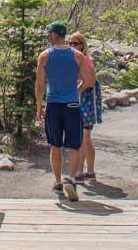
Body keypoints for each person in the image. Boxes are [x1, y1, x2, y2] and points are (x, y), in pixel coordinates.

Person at [35, 21, 91, 200]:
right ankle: (72, 179)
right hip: (73, 105)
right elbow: (88, 80)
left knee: (55, 144)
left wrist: (39, 106)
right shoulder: (77, 56)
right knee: (75, 144)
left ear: (53, 35)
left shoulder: (44, 56)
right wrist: (77, 90)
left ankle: (58, 181)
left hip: (53, 105)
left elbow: (39, 85)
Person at [68, 32, 102, 182]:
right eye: (70, 43)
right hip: (76, 102)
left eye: (76, 43)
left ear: (82, 45)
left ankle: (83, 171)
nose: (73, 46)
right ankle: (87, 171)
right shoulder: (70, 60)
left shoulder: (87, 61)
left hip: (87, 102)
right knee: (83, 138)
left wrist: (78, 89)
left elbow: (91, 81)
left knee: (84, 138)